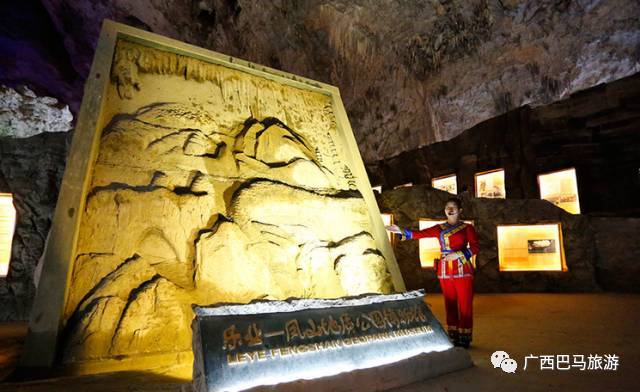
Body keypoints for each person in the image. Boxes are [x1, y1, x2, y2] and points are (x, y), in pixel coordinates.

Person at [386, 197, 479, 348]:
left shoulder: (467, 228)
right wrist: (401, 230)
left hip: (462, 269)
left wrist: (459, 255)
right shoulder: (439, 228)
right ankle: (453, 335)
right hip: (444, 270)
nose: (450, 209)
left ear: (460, 210)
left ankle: (465, 337)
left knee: (465, 303)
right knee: (449, 304)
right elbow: (419, 234)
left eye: (453, 207)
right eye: (447, 207)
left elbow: (475, 247)